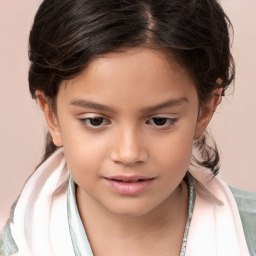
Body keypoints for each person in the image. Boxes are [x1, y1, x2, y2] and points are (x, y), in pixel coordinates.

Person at [0, 0, 255, 255]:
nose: (129, 153)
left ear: (205, 110)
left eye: (160, 120)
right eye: (95, 121)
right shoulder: (17, 246)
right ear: (52, 114)